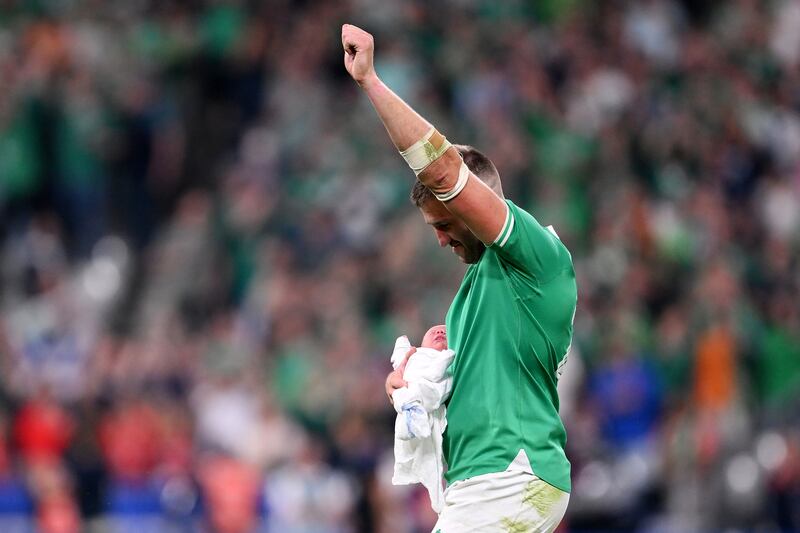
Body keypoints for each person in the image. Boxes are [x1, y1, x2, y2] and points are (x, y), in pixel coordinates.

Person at [342, 24, 577, 532]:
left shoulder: (537, 256)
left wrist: (371, 82)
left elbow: (444, 172)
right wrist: (411, 388)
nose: (441, 240)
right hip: (488, 481)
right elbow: (476, 390)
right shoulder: (474, 295)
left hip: (510, 475)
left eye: (446, 223)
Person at [390, 325, 455, 514]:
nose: (440, 332)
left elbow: (436, 382)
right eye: (433, 331)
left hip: (430, 392)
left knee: (434, 391)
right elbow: (399, 361)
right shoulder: (414, 357)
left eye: (445, 331)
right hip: (410, 394)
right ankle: (413, 414)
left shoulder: (453, 361)